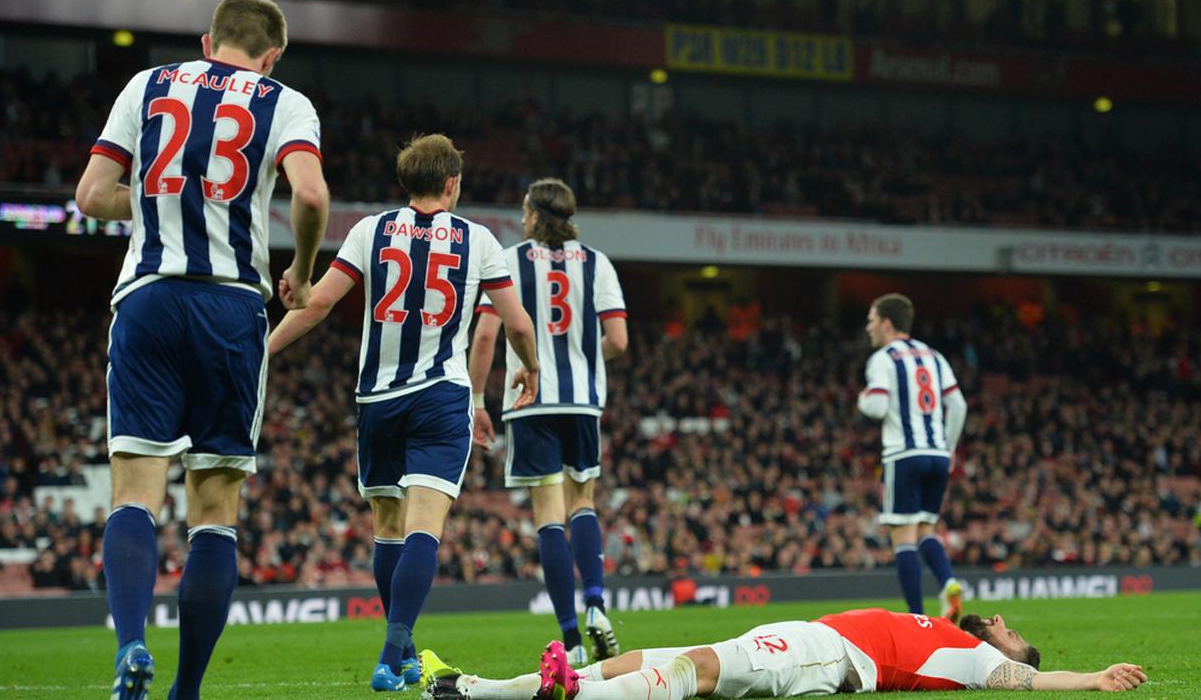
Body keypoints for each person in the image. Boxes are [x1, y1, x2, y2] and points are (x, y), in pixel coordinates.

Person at [74, 0, 329, 698]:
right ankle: (185, 690)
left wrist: (163, 198)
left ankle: (129, 644)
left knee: (134, 497)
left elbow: (92, 195)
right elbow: (309, 197)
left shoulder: (147, 84)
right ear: (271, 56)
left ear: (205, 39)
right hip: (230, 309)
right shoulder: (285, 101)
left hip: (148, 300)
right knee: (214, 514)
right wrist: (302, 276)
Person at [267, 133, 540, 692]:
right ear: (451, 184)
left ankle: (404, 652)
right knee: (424, 529)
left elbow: (317, 303)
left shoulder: (370, 230)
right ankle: (394, 653)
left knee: (388, 530)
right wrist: (529, 366)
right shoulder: (479, 240)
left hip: (378, 399)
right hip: (441, 395)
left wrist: (261, 353)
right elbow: (515, 323)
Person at [468, 178, 628, 665]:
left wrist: (477, 399)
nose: (520, 220)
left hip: (530, 399)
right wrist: (586, 364)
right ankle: (597, 604)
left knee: (547, 516)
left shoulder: (510, 260)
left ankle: (572, 640)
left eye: (524, 211)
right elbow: (618, 340)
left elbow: (485, 337)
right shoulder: (598, 262)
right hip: (580, 400)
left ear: (536, 216)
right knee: (583, 501)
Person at [420, 607, 1147, 699]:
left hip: (824, 655)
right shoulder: (947, 622)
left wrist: (1090, 679)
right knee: (641, 653)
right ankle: (466, 689)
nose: (1000, 622)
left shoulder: (966, 657)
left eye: (1010, 628)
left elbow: (1024, 679)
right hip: (805, 637)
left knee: (694, 672)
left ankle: (570, 696)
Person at [857, 294, 967, 621]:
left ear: (887, 324)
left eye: (872, 320)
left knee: (902, 537)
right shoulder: (934, 356)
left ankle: (917, 618)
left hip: (903, 454)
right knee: (925, 531)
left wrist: (862, 398)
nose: (868, 327)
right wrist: (948, 449)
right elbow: (958, 405)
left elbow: (876, 406)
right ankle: (948, 581)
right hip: (936, 454)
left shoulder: (883, 358)